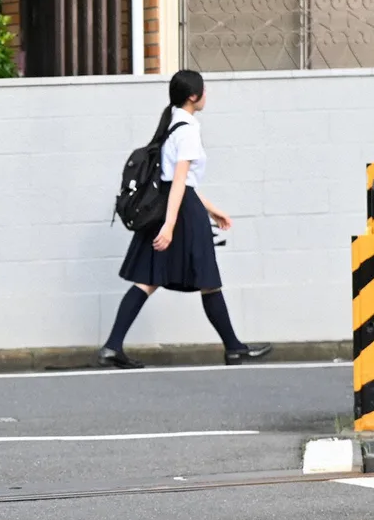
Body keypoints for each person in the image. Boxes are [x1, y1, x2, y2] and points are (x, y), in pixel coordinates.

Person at [97, 70, 272, 369]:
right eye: (204, 90)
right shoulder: (188, 128)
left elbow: (175, 183)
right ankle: (234, 348)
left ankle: (113, 346)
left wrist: (210, 208)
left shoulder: (171, 125)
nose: (207, 94)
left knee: (148, 280)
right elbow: (179, 182)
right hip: (180, 213)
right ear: (194, 96)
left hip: (174, 205)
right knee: (207, 280)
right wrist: (170, 224)